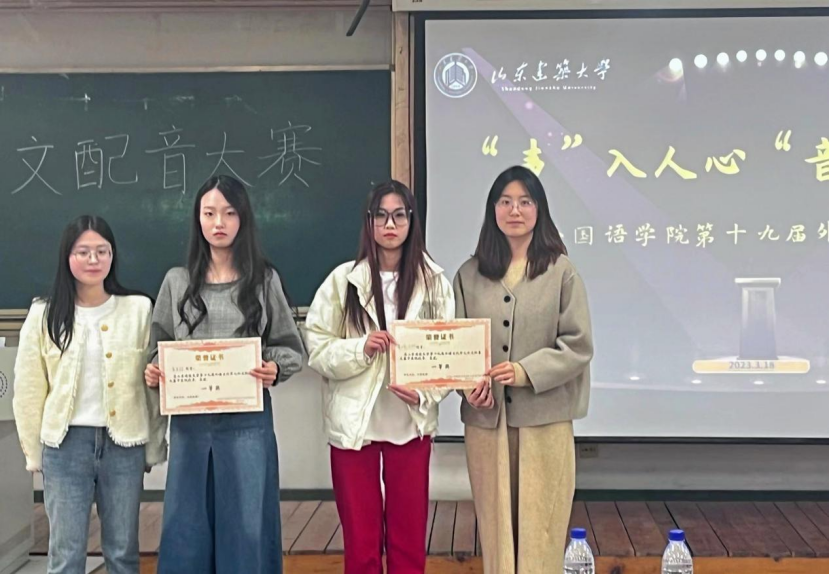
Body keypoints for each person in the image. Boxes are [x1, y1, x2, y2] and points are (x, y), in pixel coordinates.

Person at [146, 175, 304, 574]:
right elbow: (156, 346)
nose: (219, 222)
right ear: (197, 218)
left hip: (247, 424)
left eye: (230, 213)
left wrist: (273, 367)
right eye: (209, 213)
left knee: (246, 527)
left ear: (243, 218)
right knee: (186, 526)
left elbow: (291, 347)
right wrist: (155, 369)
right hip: (190, 425)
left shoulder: (263, 280)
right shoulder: (176, 281)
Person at [305, 180, 455, 574]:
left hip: (411, 424)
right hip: (355, 427)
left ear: (412, 221)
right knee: (361, 544)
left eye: (399, 215)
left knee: (409, 543)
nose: (390, 225)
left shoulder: (434, 281)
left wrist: (425, 394)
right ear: (368, 221)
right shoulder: (343, 280)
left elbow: (450, 354)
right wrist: (361, 348)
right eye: (381, 215)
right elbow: (317, 348)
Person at [454, 166, 593, 574]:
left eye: (525, 202)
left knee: (541, 531)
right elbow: (456, 346)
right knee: (495, 530)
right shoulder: (468, 274)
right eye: (505, 202)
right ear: (493, 209)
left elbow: (578, 345)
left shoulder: (562, 271)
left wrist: (524, 371)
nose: (514, 210)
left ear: (539, 209)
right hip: (487, 424)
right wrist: (469, 387)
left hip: (546, 424)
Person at [14, 215, 165, 574]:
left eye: (102, 251)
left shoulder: (138, 309)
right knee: (66, 554)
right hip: (65, 447)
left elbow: (153, 389)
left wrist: (154, 446)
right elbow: (29, 388)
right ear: (67, 256)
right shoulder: (43, 313)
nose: (93, 259)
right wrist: (33, 453)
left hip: (124, 446)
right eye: (83, 252)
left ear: (113, 256)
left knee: (122, 551)